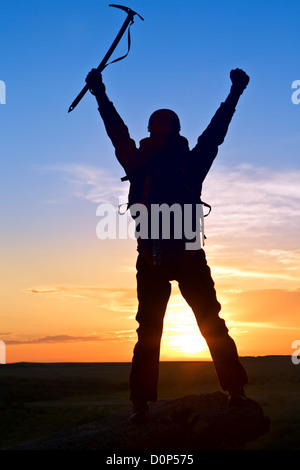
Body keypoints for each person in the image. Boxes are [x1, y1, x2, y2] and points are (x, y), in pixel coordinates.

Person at [85, 67, 250, 423]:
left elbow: (117, 133)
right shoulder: (190, 163)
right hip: (190, 256)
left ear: (151, 132)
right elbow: (214, 135)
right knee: (211, 323)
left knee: (149, 331)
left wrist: (99, 93)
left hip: (151, 258)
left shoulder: (138, 161)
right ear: (177, 132)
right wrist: (235, 93)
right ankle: (235, 391)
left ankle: (141, 405)